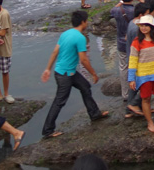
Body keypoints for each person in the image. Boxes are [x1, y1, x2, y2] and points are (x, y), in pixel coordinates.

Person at [41, 10, 109, 138]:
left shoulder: (66, 33)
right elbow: (83, 59)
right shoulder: (80, 37)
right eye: (87, 21)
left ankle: (94, 114)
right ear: (83, 22)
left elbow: (55, 52)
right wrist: (94, 74)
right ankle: (47, 130)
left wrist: (48, 68)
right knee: (60, 101)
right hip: (65, 75)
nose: (87, 23)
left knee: (85, 87)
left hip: (66, 72)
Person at [110, 0, 140, 97]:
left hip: (121, 43)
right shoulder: (135, 10)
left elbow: (112, 11)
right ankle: (136, 93)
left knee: (123, 68)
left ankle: (125, 94)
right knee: (136, 67)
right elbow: (146, 11)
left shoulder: (116, 10)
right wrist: (141, 0)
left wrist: (120, 3)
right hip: (134, 43)